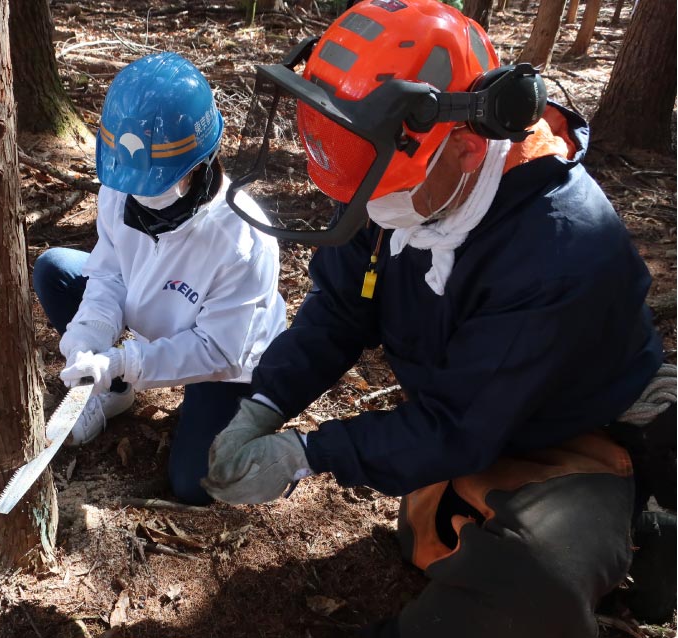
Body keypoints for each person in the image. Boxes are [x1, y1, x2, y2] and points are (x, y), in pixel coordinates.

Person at [201, 0, 675, 636]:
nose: (364, 204)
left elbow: (457, 425)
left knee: (530, 587)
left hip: (581, 427)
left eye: (379, 187)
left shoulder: (560, 249)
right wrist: (263, 404)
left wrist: (305, 454)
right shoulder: (398, 183)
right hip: (476, 412)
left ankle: (647, 522)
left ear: (466, 147)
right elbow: (339, 313)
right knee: (430, 535)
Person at [32, 52, 287, 506]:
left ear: (201, 162)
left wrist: (127, 361)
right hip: (155, 322)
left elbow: (218, 351)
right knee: (56, 269)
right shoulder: (120, 183)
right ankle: (112, 395)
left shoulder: (243, 240)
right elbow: (108, 272)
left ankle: (241, 425)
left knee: (194, 483)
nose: (139, 193)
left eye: (157, 181)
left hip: (228, 363)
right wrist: (90, 337)